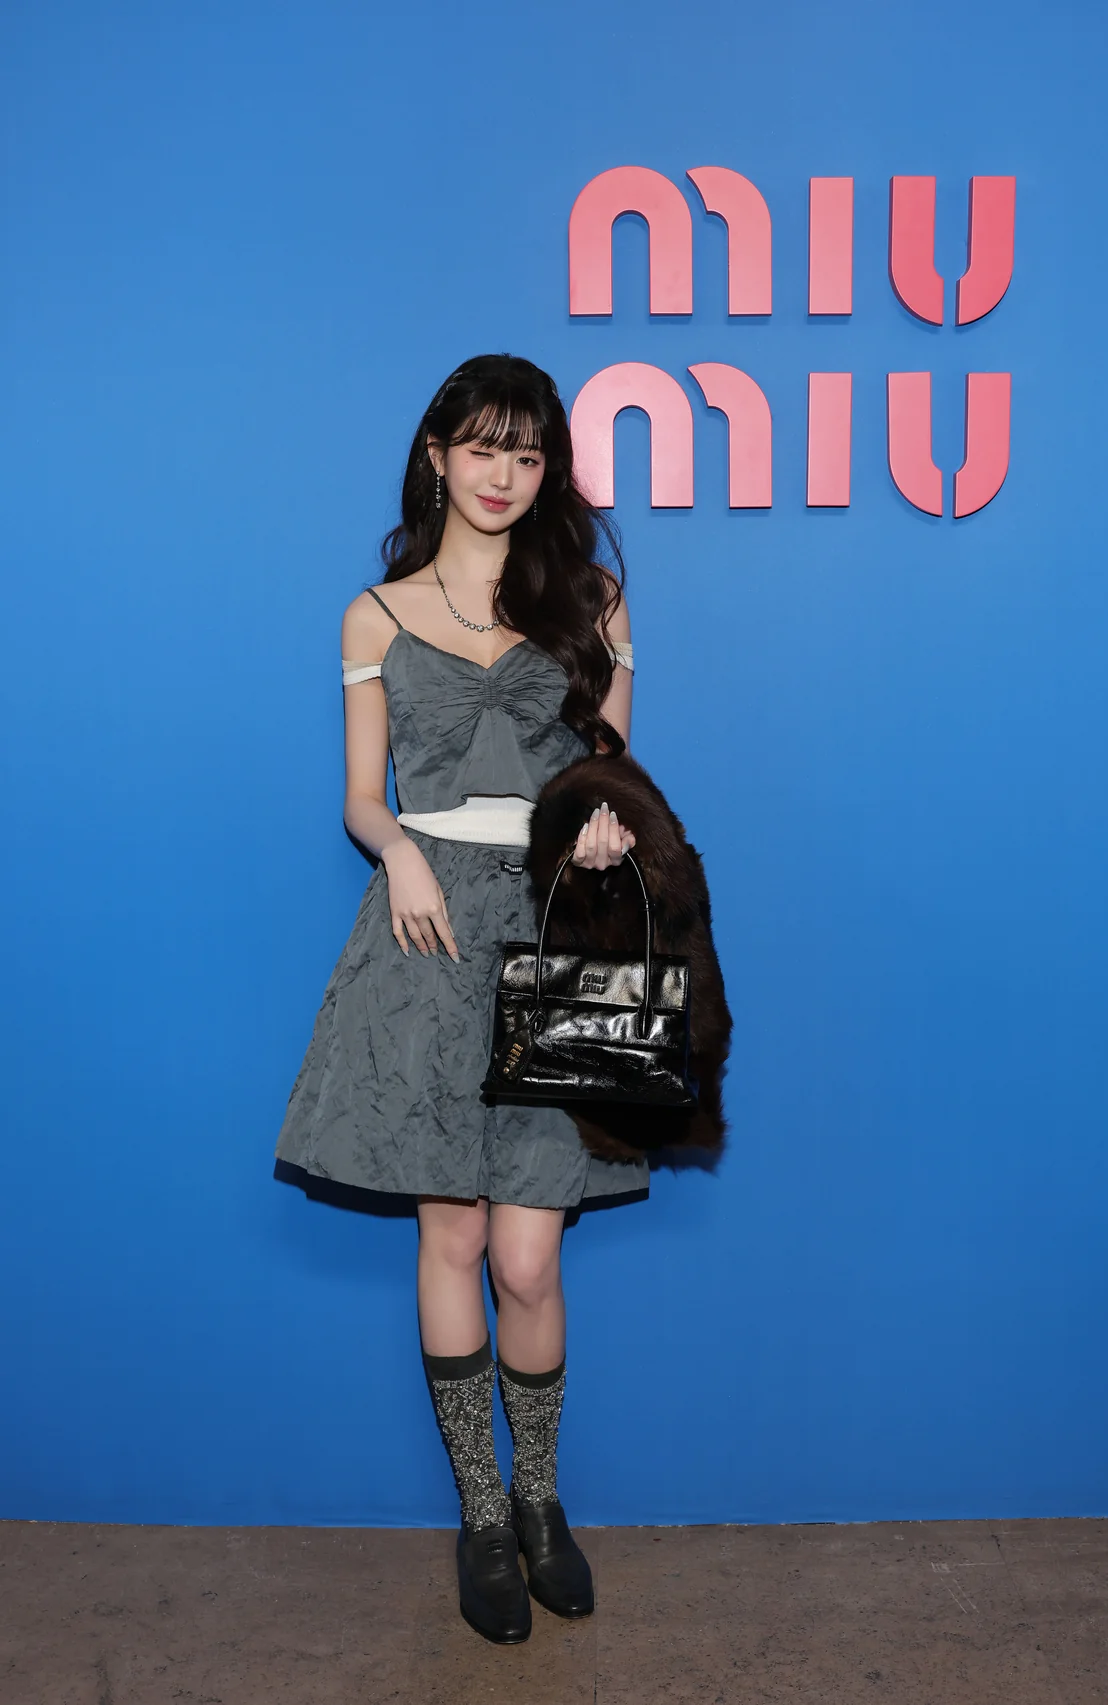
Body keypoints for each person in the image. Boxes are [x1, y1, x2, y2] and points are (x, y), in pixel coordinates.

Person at [275, 353, 649, 1644]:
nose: (503, 474)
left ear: (549, 472)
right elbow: (360, 798)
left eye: (527, 454)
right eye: (482, 447)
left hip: (554, 932)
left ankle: (542, 1499)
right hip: (427, 936)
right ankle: (483, 1516)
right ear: (436, 455)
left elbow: (616, 774)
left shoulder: (592, 601)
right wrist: (399, 850)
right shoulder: (373, 616)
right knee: (451, 1239)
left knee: (528, 1255)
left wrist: (602, 827)